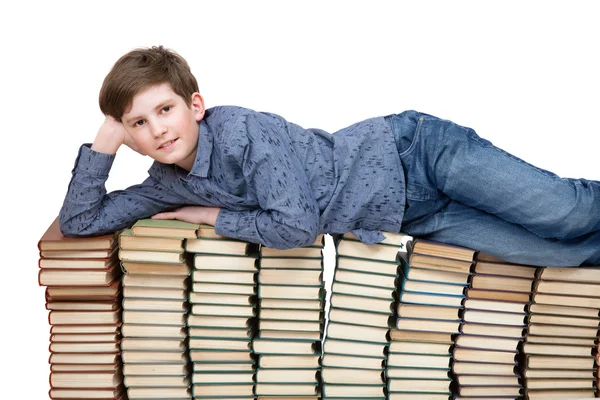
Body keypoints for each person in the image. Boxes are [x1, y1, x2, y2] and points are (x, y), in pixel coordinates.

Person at [59, 46, 600, 267]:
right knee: (566, 255)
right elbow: (81, 221)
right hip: (413, 215)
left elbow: (296, 226)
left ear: (195, 105)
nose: (157, 129)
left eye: (164, 109)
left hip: (417, 153)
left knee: (567, 214)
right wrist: (103, 144)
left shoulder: (245, 131)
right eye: (137, 123)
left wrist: (210, 217)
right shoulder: (164, 185)